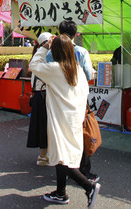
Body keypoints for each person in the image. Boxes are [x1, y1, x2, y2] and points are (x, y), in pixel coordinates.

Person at [29, 34, 101, 207]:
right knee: (63, 155)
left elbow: (33, 65)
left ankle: (89, 186)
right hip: (75, 118)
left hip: (59, 118)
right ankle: (60, 192)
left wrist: (44, 46)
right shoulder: (77, 69)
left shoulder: (54, 68)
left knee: (62, 157)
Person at [46, 20, 99, 183]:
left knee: (60, 135)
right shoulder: (81, 52)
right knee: (81, 133)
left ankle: (65, 169)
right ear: (75, 34)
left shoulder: (49, 54)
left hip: (57, 101)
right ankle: (83, 170)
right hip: (77, 100)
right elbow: (89, 76)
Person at [27, 31, 53, 165]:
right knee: (44, 125)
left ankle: (44, 155)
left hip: (40, 94)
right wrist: (45, 47)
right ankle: (43, 156)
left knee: (43, 125)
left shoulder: (41, 54)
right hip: (43, 94)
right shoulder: (43, 53)